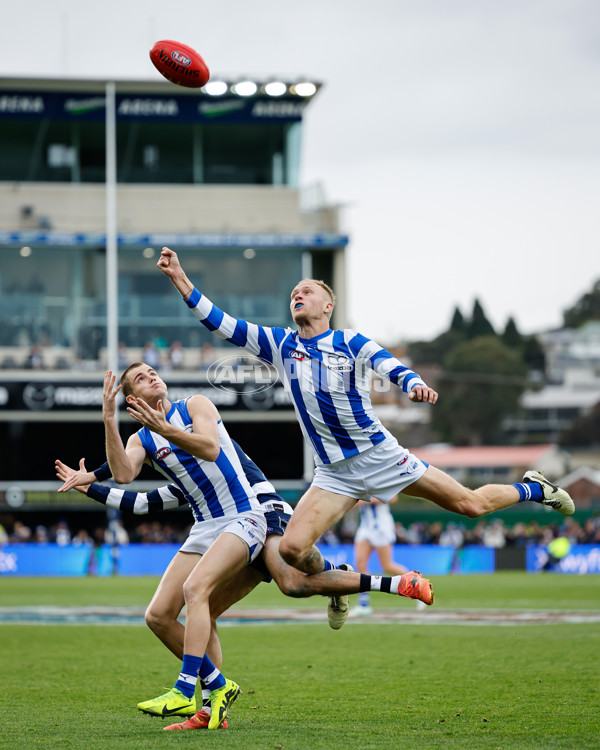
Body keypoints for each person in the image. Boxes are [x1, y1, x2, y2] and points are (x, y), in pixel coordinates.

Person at [156, 247, 575, 580]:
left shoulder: (349, 341)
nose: (297, 295)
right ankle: (334, 579)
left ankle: (535, 489)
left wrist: (412, 384)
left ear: (328, 305)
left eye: (307, 291)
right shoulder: (281, 344)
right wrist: (180, 279)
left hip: (380, 456)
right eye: (293, 294)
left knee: (469, 505)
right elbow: (221, 323)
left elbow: (388, 364)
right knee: (291, 549)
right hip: (333, 473)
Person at [56, 443, 433, 732]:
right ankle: (212, 702)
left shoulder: (213, 448)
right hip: (227, 529)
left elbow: (190, 452)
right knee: (204, 610)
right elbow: (140, 502)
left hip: (261, 513)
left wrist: (111, 463)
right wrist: (88, 486)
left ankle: (395, 582)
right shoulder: (190, 479)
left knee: (292, 582)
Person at [57, 364, 268, 730]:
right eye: (141, 378)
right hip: (205, 527)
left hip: (244, 516)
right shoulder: (142, 439)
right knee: (157, 616)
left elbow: (211, 448)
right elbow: (123, 474)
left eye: (153, 372)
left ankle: (186, 689)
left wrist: (164, 428)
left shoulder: (196, 406)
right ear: (132, 399)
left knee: (194, 590)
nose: (152, 377)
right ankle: (218, 687)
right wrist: (109, 419)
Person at [349, 497, 407, 618]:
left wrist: (366, 500)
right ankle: (364, 605)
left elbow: (393, 497)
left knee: (387, 565)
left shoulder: (379, 479)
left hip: (381, 526)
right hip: (365, 525)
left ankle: (416, 585)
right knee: (360, 564)